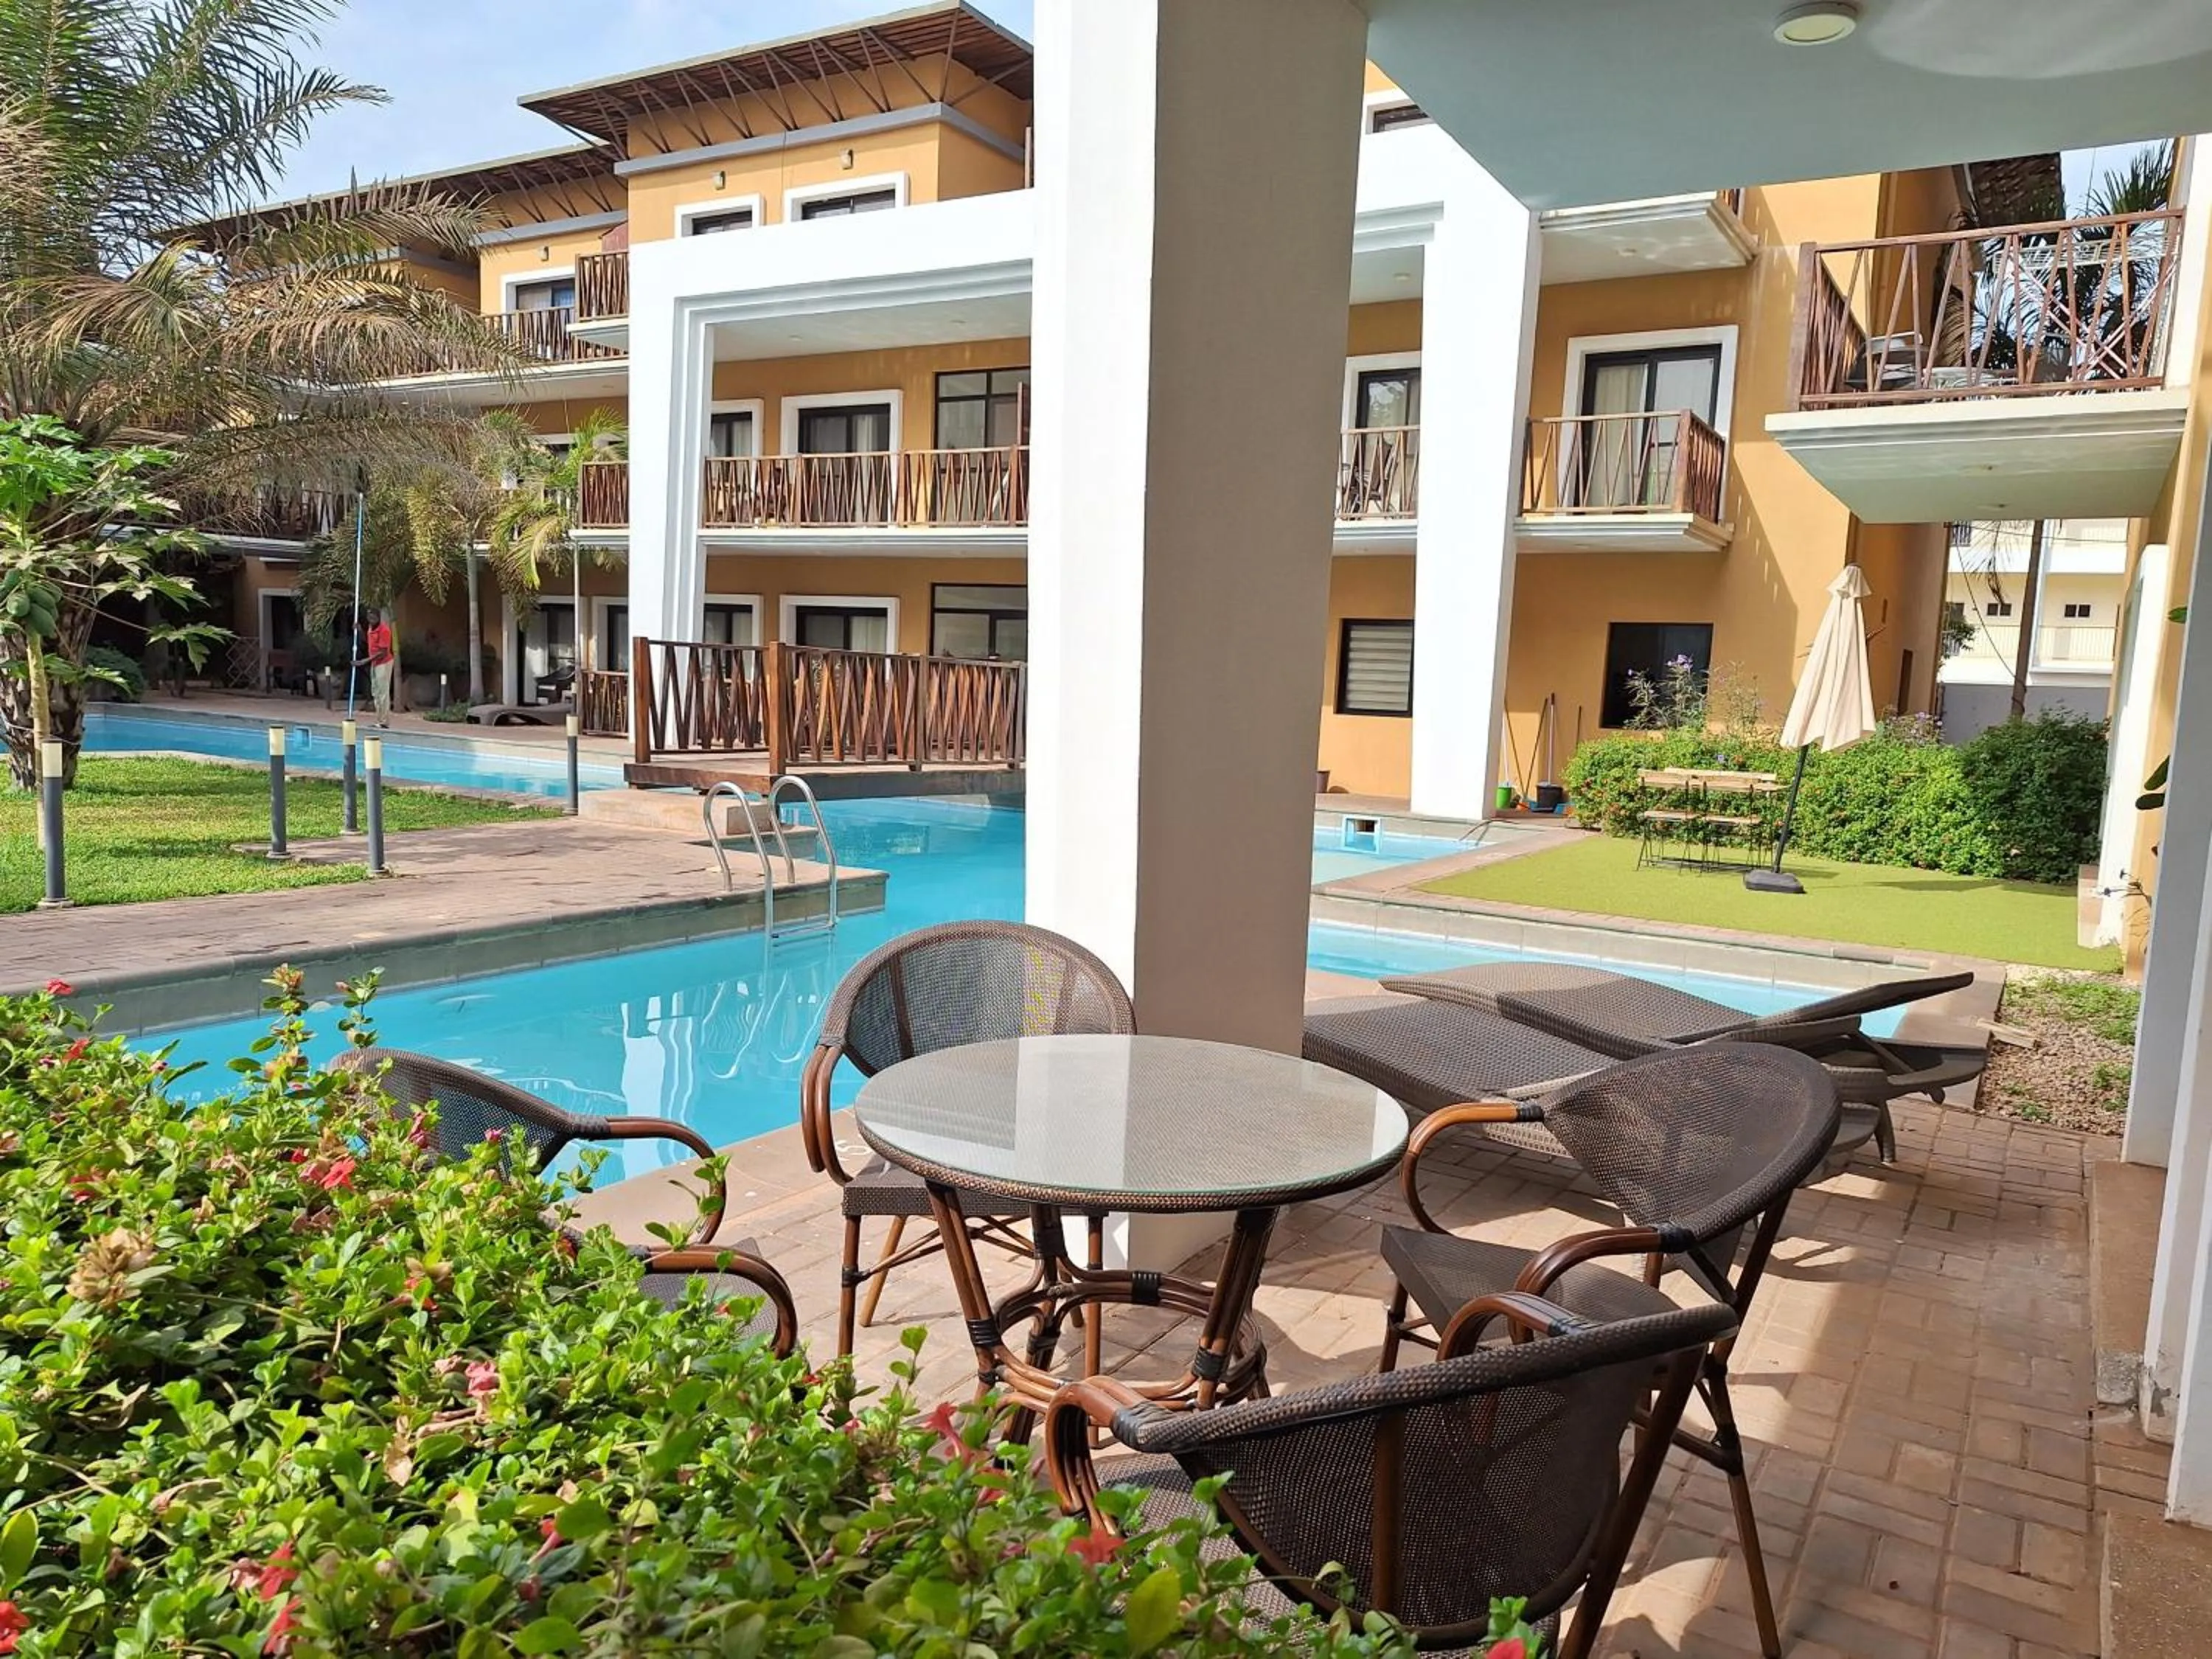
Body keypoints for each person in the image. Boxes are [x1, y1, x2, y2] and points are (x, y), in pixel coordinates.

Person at [363, 609, 396, 727]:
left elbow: (383, 652)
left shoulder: (384, 630)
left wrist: (365, 661)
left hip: (384, 663)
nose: (371, 620)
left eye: (374, 618)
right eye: (369, 617)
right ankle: (379, 720)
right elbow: (370, 643)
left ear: (378, 617)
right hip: (375, 663)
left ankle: (384, 721)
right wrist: (359, 630)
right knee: (375, 692)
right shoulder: (370, 629)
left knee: (383, 692)